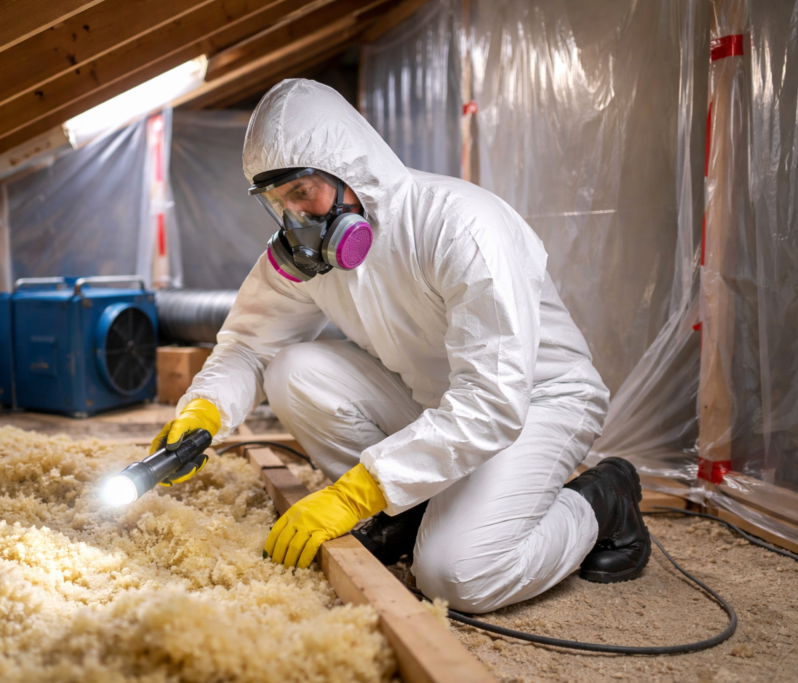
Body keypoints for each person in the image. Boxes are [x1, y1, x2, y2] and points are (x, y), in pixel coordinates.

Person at [152, 79, 650, 614]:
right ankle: (407, 510)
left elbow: (493, 401)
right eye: (279, 203)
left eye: (302, 193)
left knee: (457, 575)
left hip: (535, 404)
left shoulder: (460, 226)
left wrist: (355, 492)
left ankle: (602, 501)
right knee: (292, 370)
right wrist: (202, 410)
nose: (295, 218)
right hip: (436, 401)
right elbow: (250, 347)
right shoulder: (310, 254)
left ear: (348, 169)